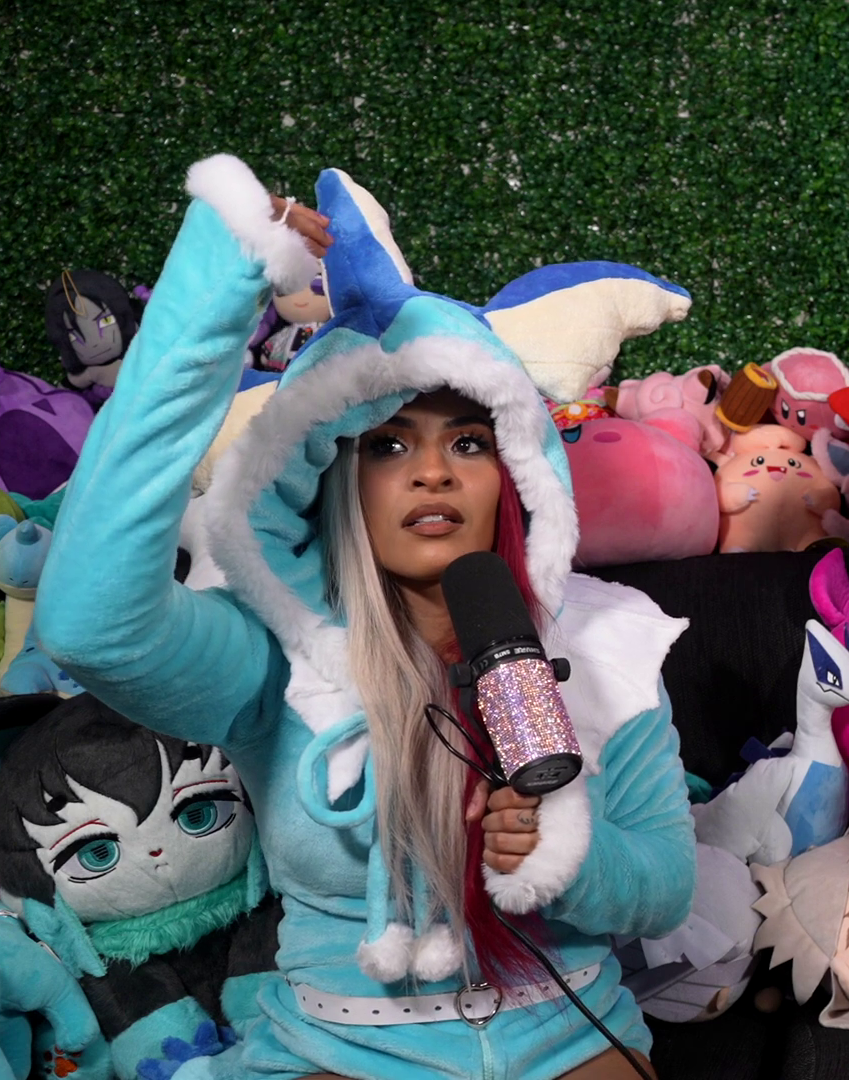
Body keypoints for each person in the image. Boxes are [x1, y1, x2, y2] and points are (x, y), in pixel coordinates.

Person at [38, 155, 695, 1080]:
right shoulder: (269, 653)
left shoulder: (608, 647)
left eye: (468, 441)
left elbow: (666, 890)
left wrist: (573, 856)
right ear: (327, 468)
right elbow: (88, 624)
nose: (433, 473)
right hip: (340, 1046)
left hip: (572, 1033)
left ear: (515, 470)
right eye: (387, 445)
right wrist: (220, 284)